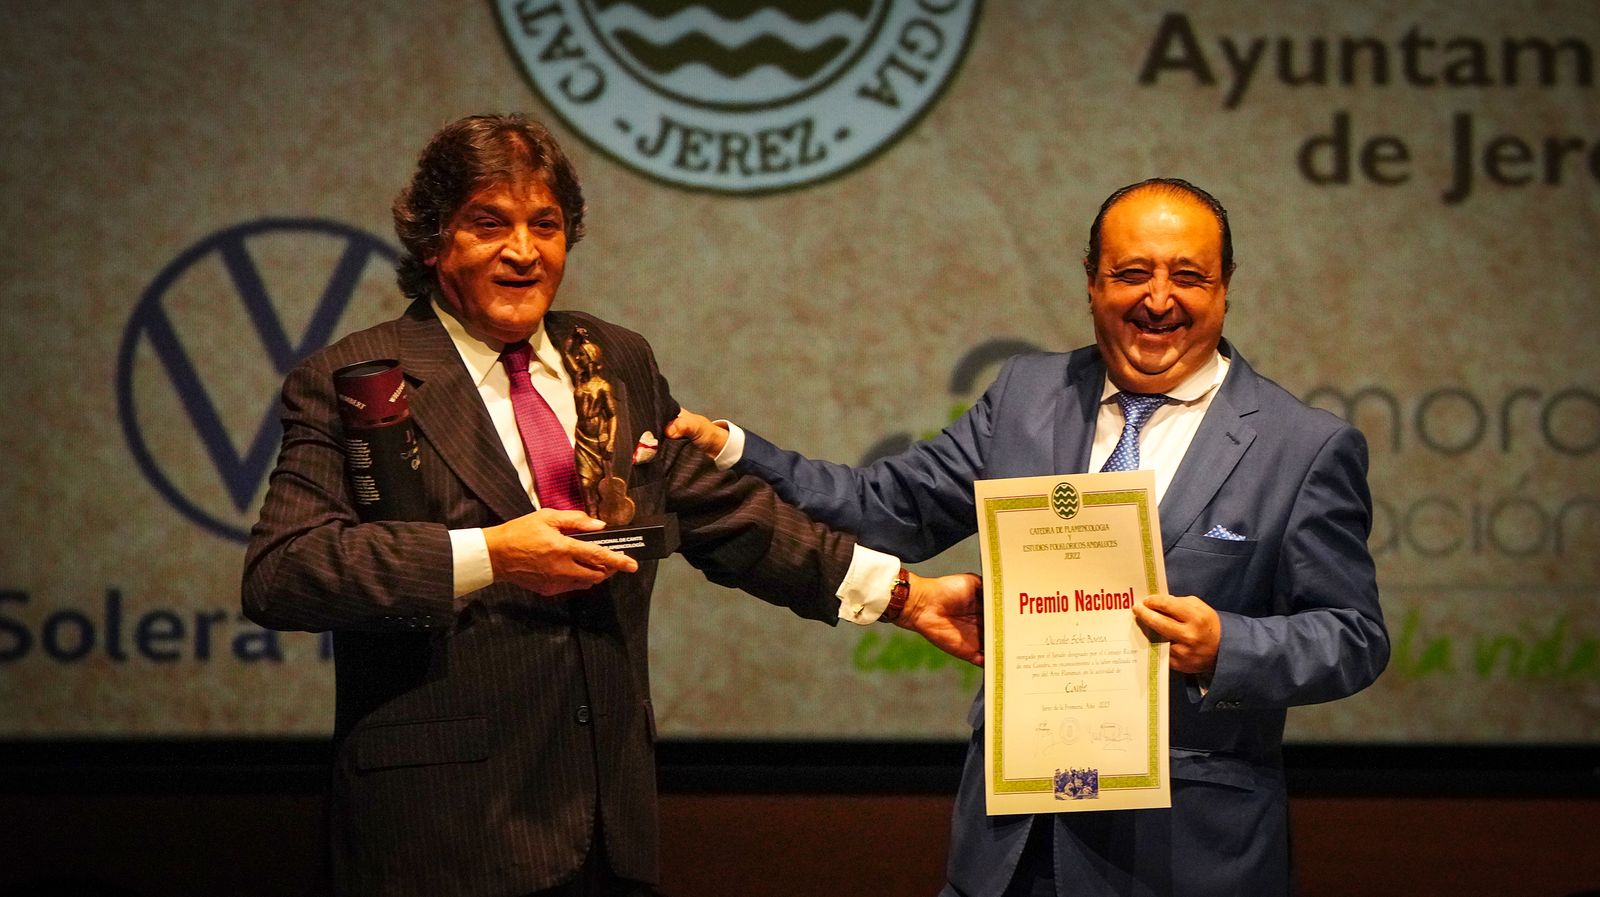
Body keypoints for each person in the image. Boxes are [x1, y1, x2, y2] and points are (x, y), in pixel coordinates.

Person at [241, 113, 981, 897]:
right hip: (443, 831)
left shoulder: (615, 358)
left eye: (546, 225)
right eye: (489, 223)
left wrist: (906, 596)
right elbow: (283, 571)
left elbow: (733, 516)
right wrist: (492, 554)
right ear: (433, 243)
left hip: (607, 824)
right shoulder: (358, 374)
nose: (523, 251)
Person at [668, 178, 1390, 896]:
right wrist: (734, 450)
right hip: (1011, 849)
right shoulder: (1026, 394)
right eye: (1132, 273)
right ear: (1091, 282)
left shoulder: (1304, 446)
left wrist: (1227, 646)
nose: (1159, 299)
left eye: (1189, 277)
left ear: (1225, 288)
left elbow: (1354, 634)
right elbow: (886, 506)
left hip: (1186, 853)